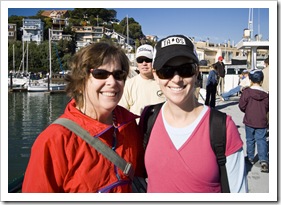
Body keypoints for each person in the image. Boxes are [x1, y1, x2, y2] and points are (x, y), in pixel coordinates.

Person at [22, 42, 145, 192]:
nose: (112, 82)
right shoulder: (55, 140)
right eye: (100, 74)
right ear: (80, 83)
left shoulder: (129, 126)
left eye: (118, 75)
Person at [142, 34, 247, 193]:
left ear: (196, 72)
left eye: (186, 70)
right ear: (156, 75)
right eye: (166, 71)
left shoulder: (222, 127)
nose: (176, 79)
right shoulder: (148, 117)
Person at [119, 44, 166, 116]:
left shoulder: (165, 82)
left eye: (148, 60)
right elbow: (121, 113)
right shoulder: (128, 85)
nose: (144, 63)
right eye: (140, 60)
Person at [239, 70, 269, 172]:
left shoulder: (247, 92)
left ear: (250, 80)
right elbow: (268, 107)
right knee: (261, 140)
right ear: (261, 80)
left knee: (250, 139)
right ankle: (263, 160)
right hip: (262, 120)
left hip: (249, 120)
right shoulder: (266, 94)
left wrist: (248, 110)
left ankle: (250, 158)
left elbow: (242, 106)